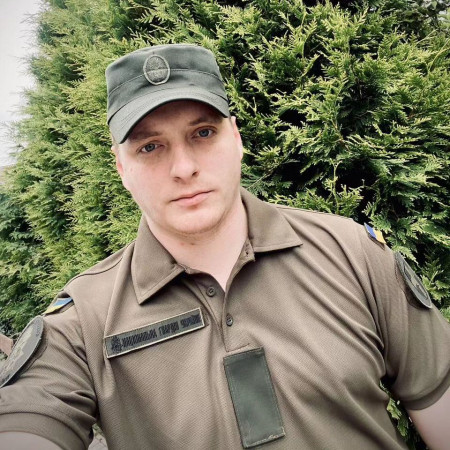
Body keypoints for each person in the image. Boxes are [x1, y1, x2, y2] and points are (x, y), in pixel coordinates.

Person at [0, 44, 449, 450]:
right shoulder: (83, 321)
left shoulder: (352, 254)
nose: (183, 168)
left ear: (236, 137)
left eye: (202, 133)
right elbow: (30, 417)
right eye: (150, 147)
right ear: (121, 167)